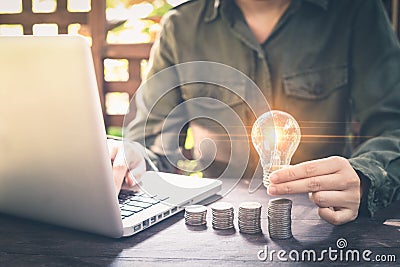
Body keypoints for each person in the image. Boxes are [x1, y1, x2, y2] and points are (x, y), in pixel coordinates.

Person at [110, 0, 400, 226]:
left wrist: (365, 175)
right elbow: (151, 140)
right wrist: (132, 160)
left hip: (320, 219)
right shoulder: (180, 27)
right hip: (214, 224)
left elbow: (394, 126)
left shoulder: (355, 12)